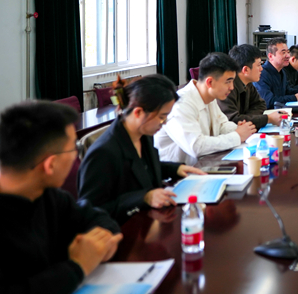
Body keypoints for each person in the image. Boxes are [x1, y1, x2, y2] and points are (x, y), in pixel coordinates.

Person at [0, 101, 122, 294]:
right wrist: (78, 266)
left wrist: (102, 242)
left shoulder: (46, 194)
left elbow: (95, 217)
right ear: (50, 164)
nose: (76, 156)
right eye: (74, 148)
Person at [79, 75, 207, 225]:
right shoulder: (103, 153)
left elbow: (142, 169)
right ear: (138, 112)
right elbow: (91, 211)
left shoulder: (144, 134)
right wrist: (144, 197)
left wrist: (175, 169)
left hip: (149, 221)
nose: (165, 122)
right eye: (162, 117)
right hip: (122, 229)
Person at [155, 53, 257, 165]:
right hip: (178, 173)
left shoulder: (210, 98)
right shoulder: (180, 104)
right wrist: (237, 135)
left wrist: (239, 129)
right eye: (228, 82)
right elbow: (196, 146)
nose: (232, 87)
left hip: (203, 165)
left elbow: (222, 125)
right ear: (210, 82)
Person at [219, 44, 280, 129]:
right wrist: (267, 119)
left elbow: (261, 104)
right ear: (246, 70)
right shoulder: (227, 88)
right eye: (258, 65)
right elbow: (233, 120)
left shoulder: (248, 83)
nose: (261, 69)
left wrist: (245, 118)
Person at [253, 38, 298, 108]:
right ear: (271, 56)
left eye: (288, 52)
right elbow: (269, 101)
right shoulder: (262, 74)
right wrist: (295, 97)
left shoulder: (282, 71)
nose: (288, 56)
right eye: (283, 52)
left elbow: (287, 89)